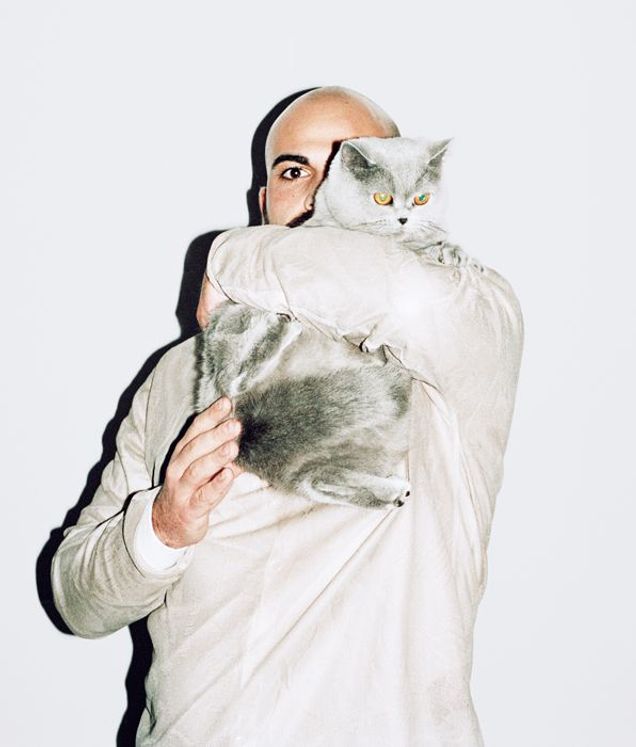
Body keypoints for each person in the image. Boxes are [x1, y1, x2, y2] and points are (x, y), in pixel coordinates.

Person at [51, 86, 524, 746]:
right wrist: (161, 527)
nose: (321, 193)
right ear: (264, 201)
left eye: (352, 166)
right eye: (295, 170)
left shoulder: (459, 328)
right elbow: (76, 599)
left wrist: (228, 256)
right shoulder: (179, 374)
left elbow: (402, 294)